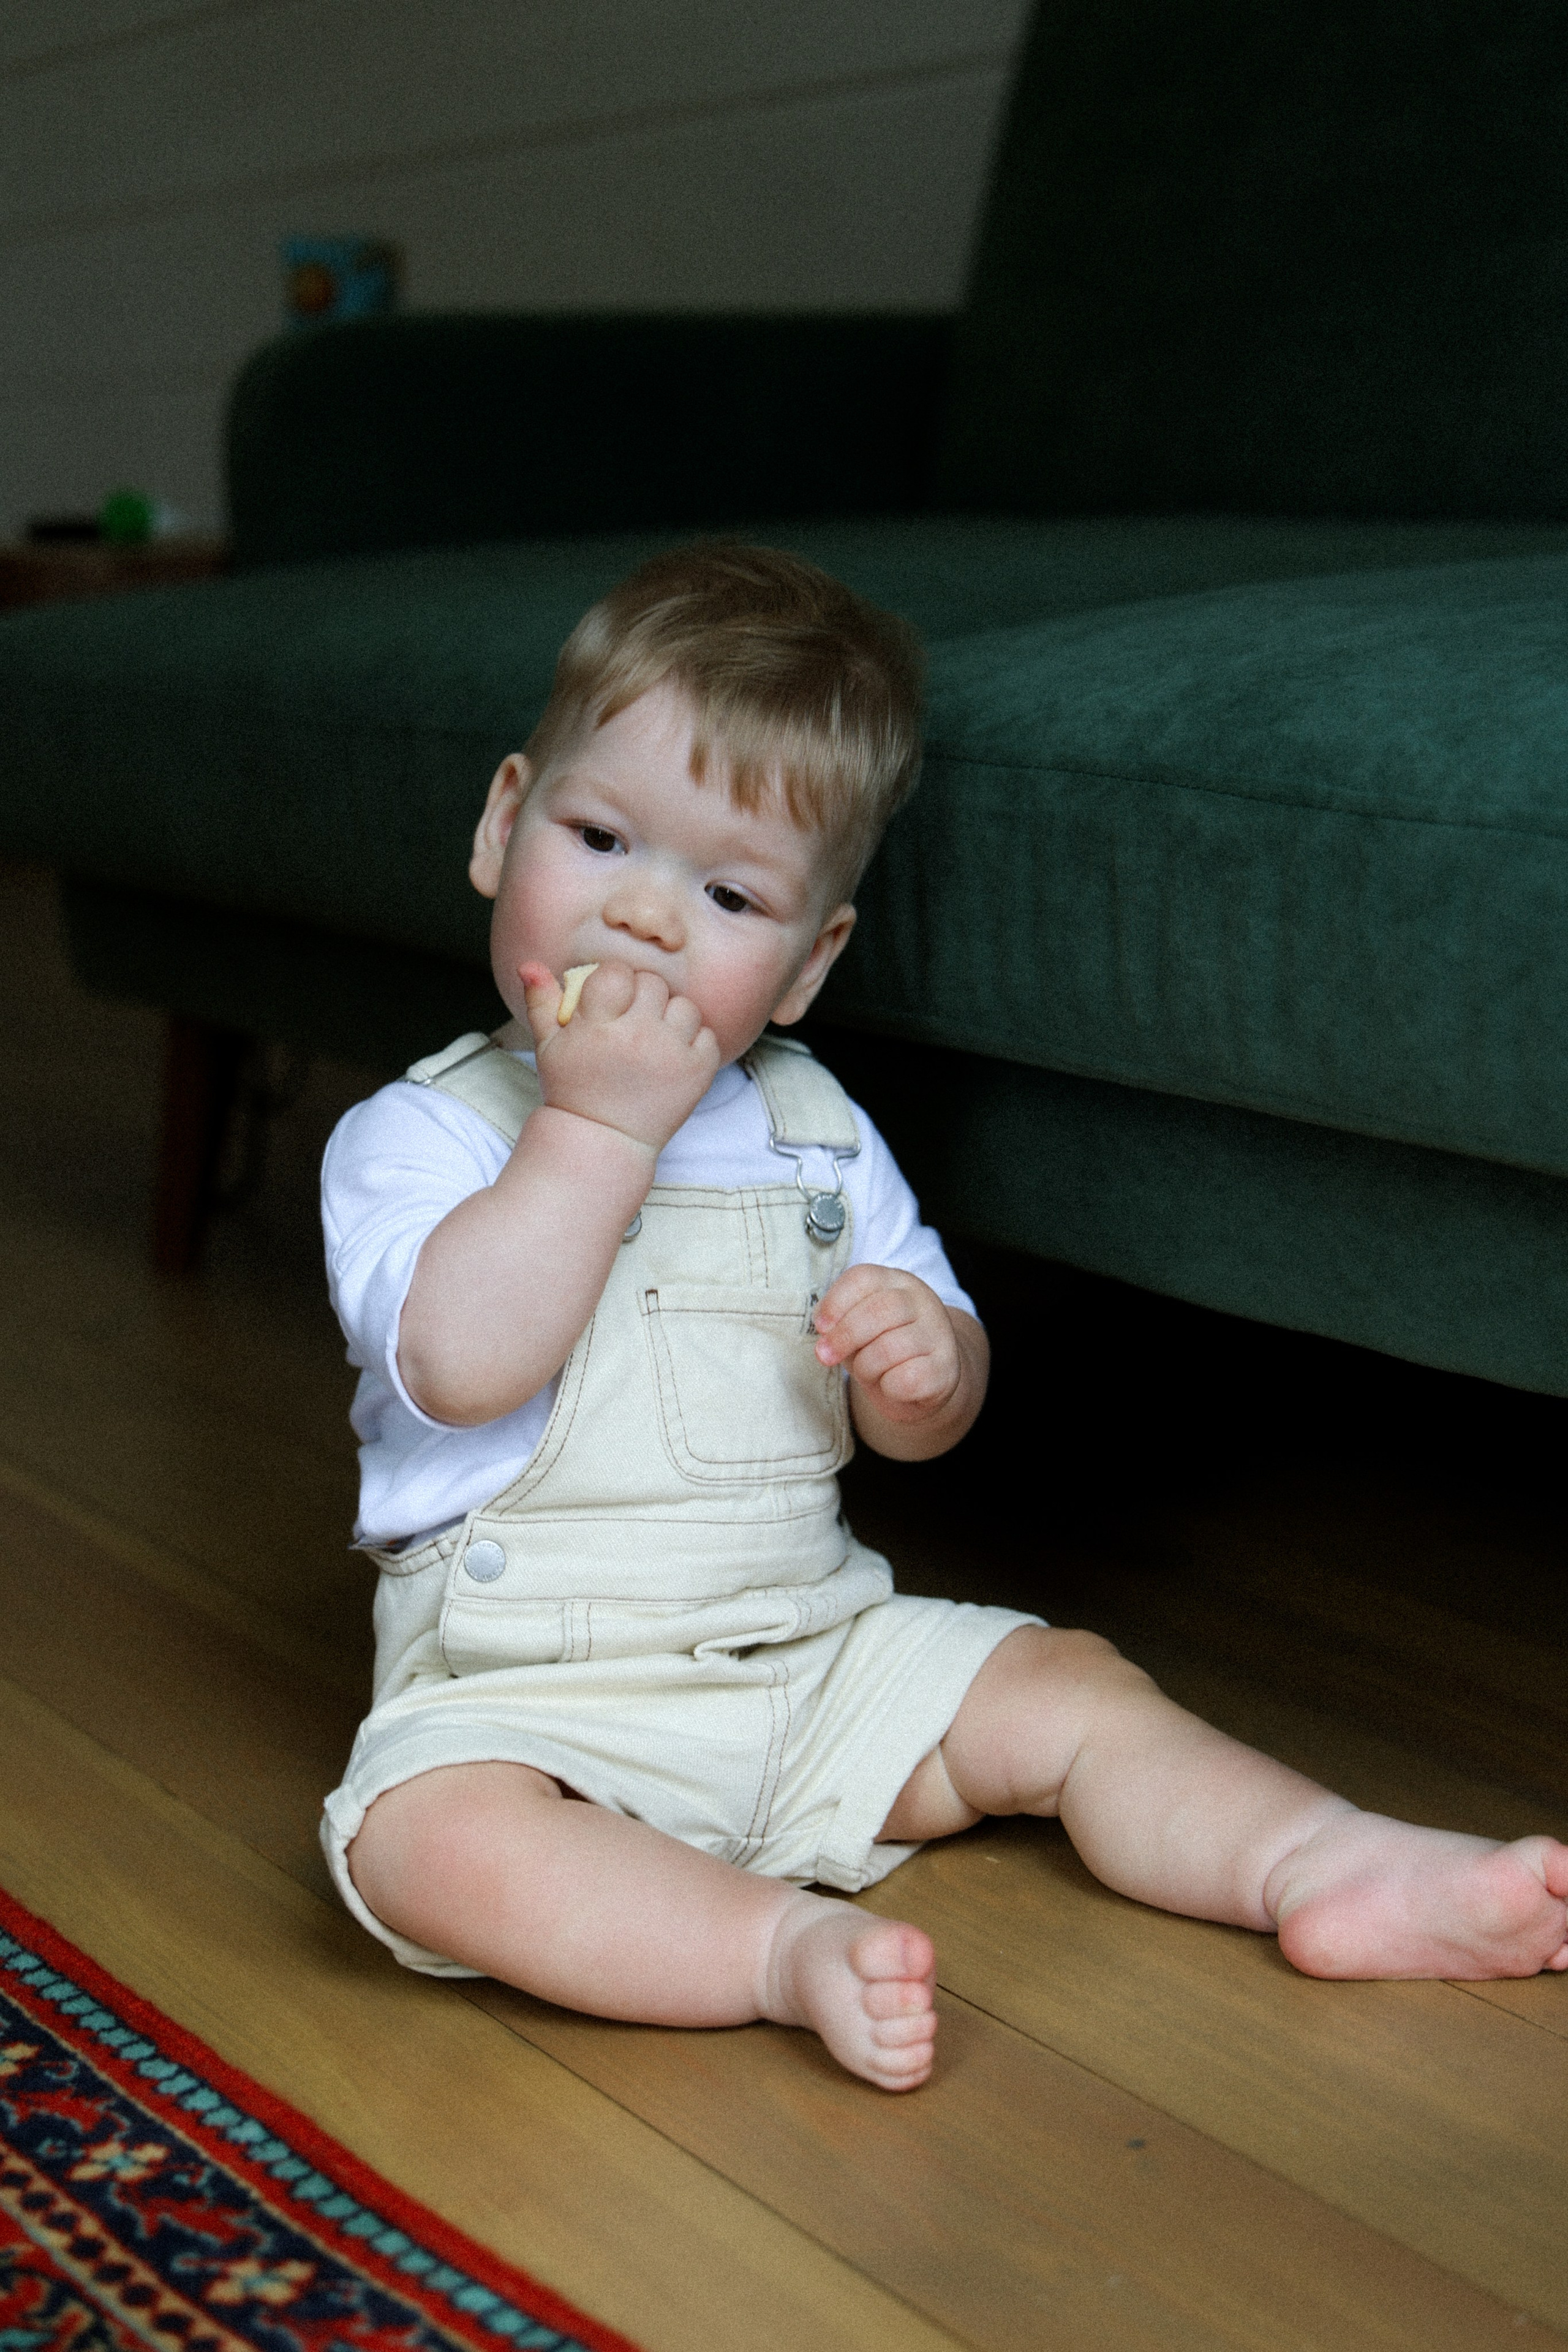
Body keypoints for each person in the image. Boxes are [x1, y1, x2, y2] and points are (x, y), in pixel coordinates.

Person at [320, 543, 1568, 2092]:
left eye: (725, 893)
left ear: (802, 964)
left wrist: (925, 1366)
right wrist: (598, 1130)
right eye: (597, 837)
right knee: (419, 1844)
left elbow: (925, 1402)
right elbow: (456, 1361)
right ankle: (768, 1949)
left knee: (1070, 1689)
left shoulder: (814, 1130)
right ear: (503, 824)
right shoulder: (416, 1138)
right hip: (533, 1706)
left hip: (810, 1658)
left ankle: (1320, 1859)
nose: (644, 920)